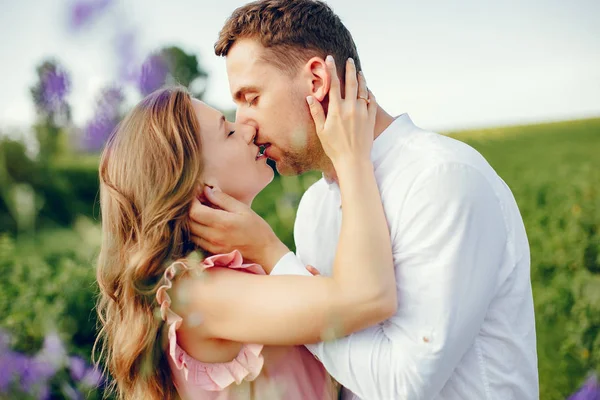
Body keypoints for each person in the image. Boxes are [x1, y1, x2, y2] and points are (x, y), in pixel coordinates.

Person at [189, 1, 540, 399]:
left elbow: (403, 384)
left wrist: (277, 260)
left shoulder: (441, 179)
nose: (244, 125)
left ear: (317, 81)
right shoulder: (314, 209)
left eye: (251, 97)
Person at [94, 58, 396, 399]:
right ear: (196, 181)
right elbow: (368, 297)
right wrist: (352, 159)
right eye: (227, 130)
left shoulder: (229, 279)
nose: (248, 128)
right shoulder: (197, 295)